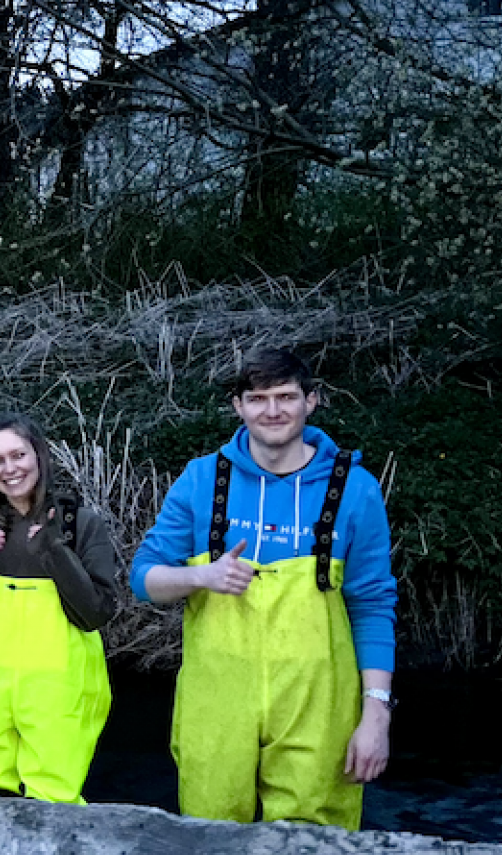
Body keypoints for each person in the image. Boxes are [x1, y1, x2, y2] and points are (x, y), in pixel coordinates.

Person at [130, 347, 395, 828]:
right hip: (216, 703)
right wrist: (200, 576)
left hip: (319, 706)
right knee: (208, 833)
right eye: (257, 398)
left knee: (313, 838)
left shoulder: (355, 488)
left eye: (286, 396)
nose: (272, 410)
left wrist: (376, 714)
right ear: (239, 406)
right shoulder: (201, 479)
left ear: (311, 401)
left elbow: (373, 604)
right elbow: (143, 578)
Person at [0, 413, 118, 803]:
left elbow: (98, 613)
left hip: (59, 692)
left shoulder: (80, 524)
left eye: (18, 455)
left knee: (54, 801)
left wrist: (54, 551)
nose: (10, 469)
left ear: (39, 454)